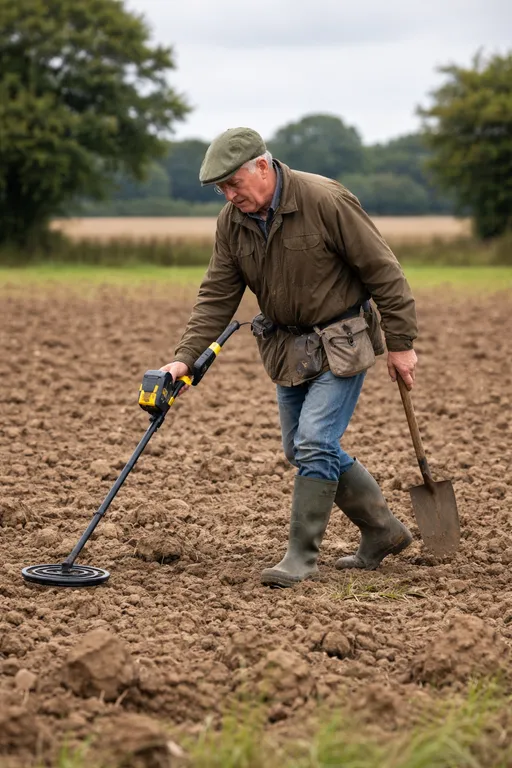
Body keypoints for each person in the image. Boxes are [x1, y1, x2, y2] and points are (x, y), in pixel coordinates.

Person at [160, 127, 418, 588]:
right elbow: (217, 295)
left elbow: (384, 271)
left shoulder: (324, 200)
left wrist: (400, 344)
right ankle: (382, 530)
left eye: (233, 183)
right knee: (298, 447)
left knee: (316, 442)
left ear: (262, 166)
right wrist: (184, 359)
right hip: (286, 346)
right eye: (220, 188)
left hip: (343, 340)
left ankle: (300, 558)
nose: (228, 194)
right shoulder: (233, 222)